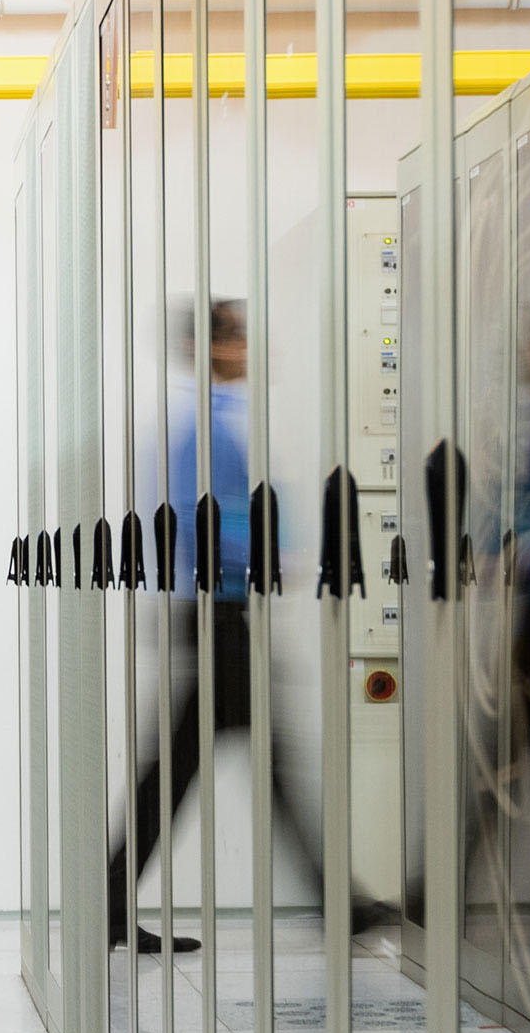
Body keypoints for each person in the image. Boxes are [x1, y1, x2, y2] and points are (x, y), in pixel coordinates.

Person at [99, 297, 345, 951]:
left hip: (219, 611)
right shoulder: (204, 426)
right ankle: (335, 900)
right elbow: (198, 518)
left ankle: (113, 902)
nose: (248, 346)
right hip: (216, 613)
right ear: (212, 347)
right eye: (237, 335)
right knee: (223, 764)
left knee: (218, 764)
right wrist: (264, 559)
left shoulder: (217, 421)